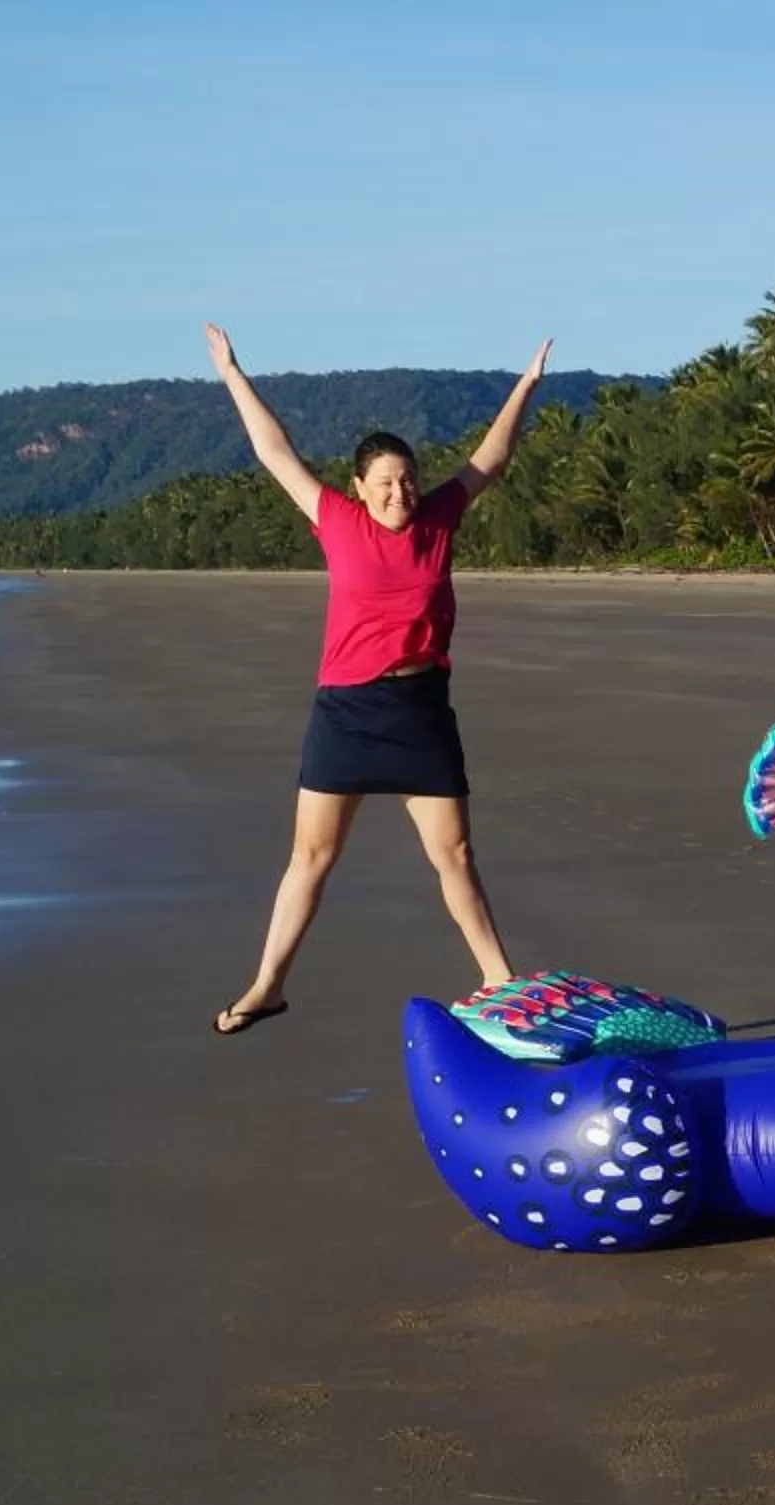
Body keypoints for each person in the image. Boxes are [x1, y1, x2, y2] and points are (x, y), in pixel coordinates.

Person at [206, 324, 547, 1034]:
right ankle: (267, 984)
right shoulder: (335, 518)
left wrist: (526, 385)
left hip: (420, 709)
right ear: (359, 488)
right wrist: (233, 372)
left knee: (453, 852)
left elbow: (492, 455)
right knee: (312, 855)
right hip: (347, 713)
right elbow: (275, 453)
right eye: (386, 482)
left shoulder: (441, 518)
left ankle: (498, 978)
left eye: (409, 478)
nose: (401, 491)